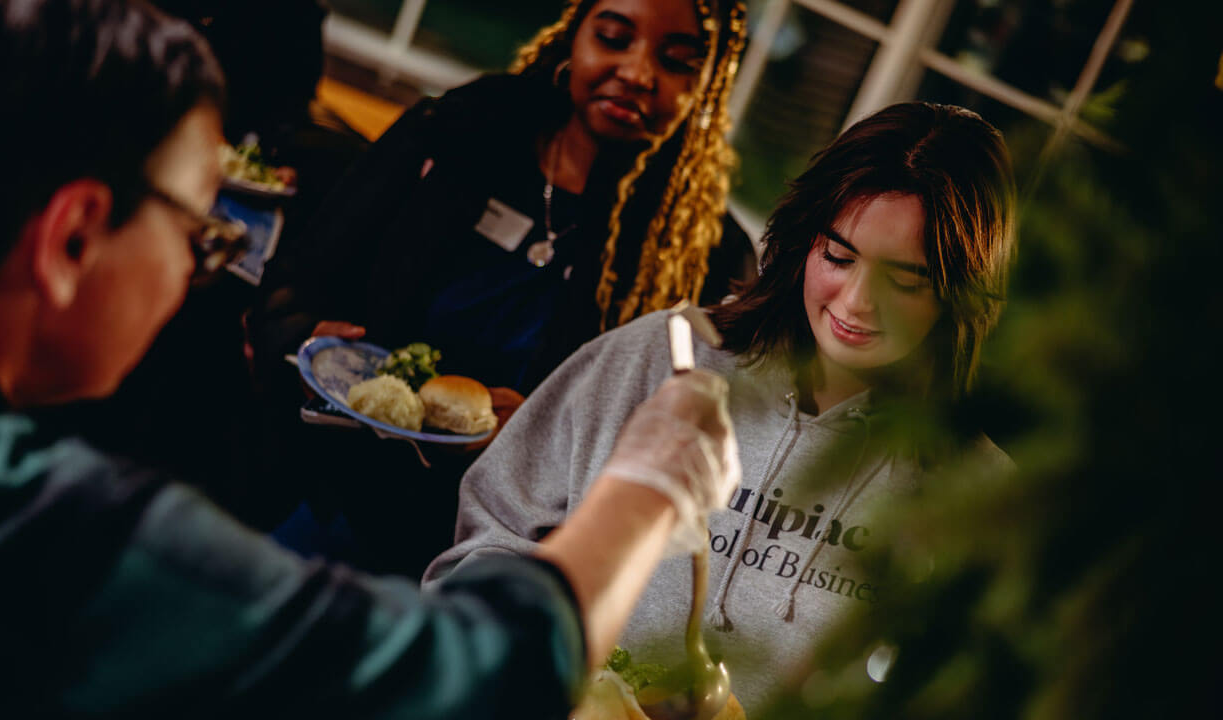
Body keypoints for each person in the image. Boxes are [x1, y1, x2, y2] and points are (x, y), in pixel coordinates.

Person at [0, 1, 739, 716]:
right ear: (74, 235)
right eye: (201, 231)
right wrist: (648, 485)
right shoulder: (57, 526)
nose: (199, 267)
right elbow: (474, 677)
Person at [425, 101, 1019, 709]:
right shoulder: (664, 357)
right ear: (803, 240)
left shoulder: (984, 497)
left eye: (905, 281)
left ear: (960, 296)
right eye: (838, 257)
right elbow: (487, 543)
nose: (857, 302)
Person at [243, 0, 757, 578]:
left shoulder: (703, 257)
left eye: (676, 61)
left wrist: (541, 437)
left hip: (495, 553)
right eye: (614, 37)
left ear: (707, 86)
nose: (638, 72)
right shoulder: (458, 134)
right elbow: (295, 282)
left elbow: (679, 451)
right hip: (330, 489)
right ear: (574, 38)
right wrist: (309, 335)